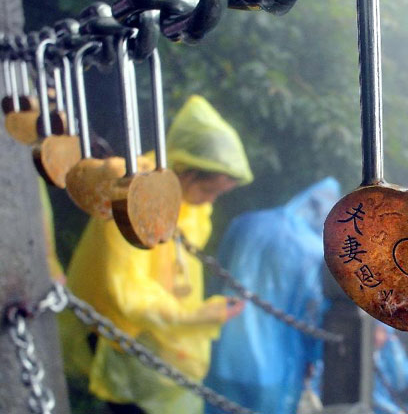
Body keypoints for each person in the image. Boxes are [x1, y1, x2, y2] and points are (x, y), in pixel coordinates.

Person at [60, 95, 253, 414]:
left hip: (153, 334)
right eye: (208, 191)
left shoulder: (188, 206)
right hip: (117, 334)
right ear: (187, 173)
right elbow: (125, 292)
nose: (209, 203)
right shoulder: (135, 194)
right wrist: (194, 318)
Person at [205, 177, 341, 414]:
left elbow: (217, 279)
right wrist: (313, 357)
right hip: (277, 364)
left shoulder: (245, 223)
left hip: (224, 350)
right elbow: (314, 310)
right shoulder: (314, 251)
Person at [373, 323, 408, 414]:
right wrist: (395, 411)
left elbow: (402, 382)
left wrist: (394, 347)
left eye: (383, 331)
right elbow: (373, 396)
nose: (379, 336)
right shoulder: (367, 358)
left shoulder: (391, 352)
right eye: (376, 330)